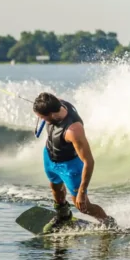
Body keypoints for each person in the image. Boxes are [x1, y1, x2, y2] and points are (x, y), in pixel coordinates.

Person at [33, 92, 115, 232]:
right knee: (55, 187)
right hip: (49, 156)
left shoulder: (73, 130)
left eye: (42, 117)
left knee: (83, 206)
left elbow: (89, 161)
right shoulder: (59, 104)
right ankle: (63, 214)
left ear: (52, 114)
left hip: (69, 166)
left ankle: (108, 223)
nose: (41, 120)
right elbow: (53, 98)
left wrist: (82, 192)